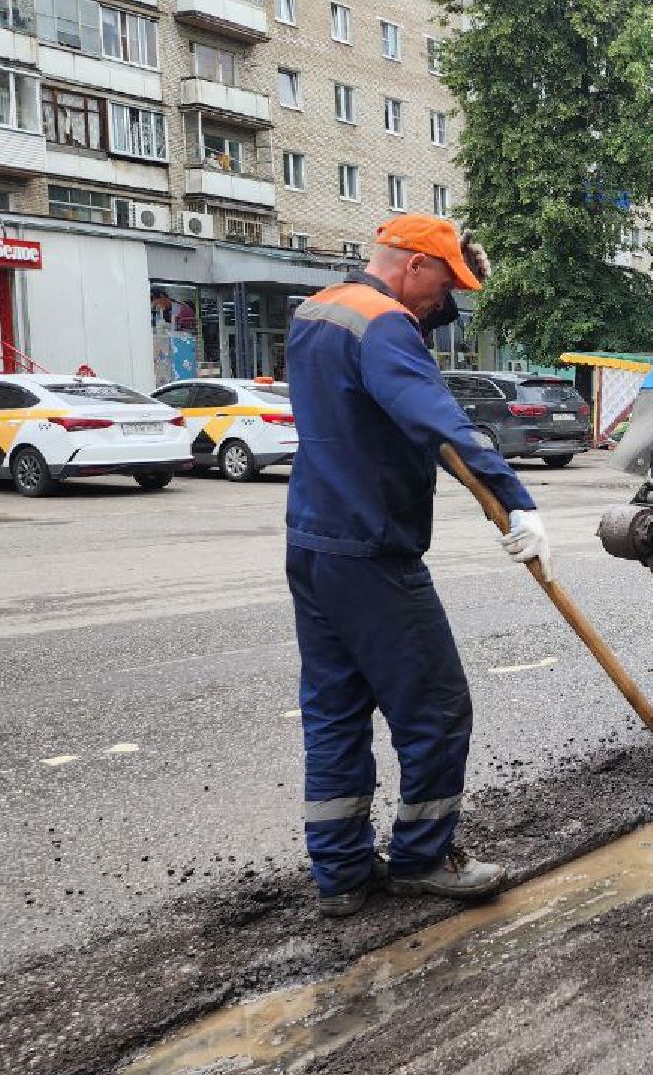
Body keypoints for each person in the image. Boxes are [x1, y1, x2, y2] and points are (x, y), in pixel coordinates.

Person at [284, 214, 553, 917]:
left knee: (335, 710)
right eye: (445, 284)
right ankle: (422, 857)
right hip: (372, 551)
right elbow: (441, 421)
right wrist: (514, 501)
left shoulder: (318, 312)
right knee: (435, 707)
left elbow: (375, 414)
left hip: (312, 544)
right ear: (412, 265)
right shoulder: (384, 323)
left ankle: (340, 873)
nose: (446, 304)